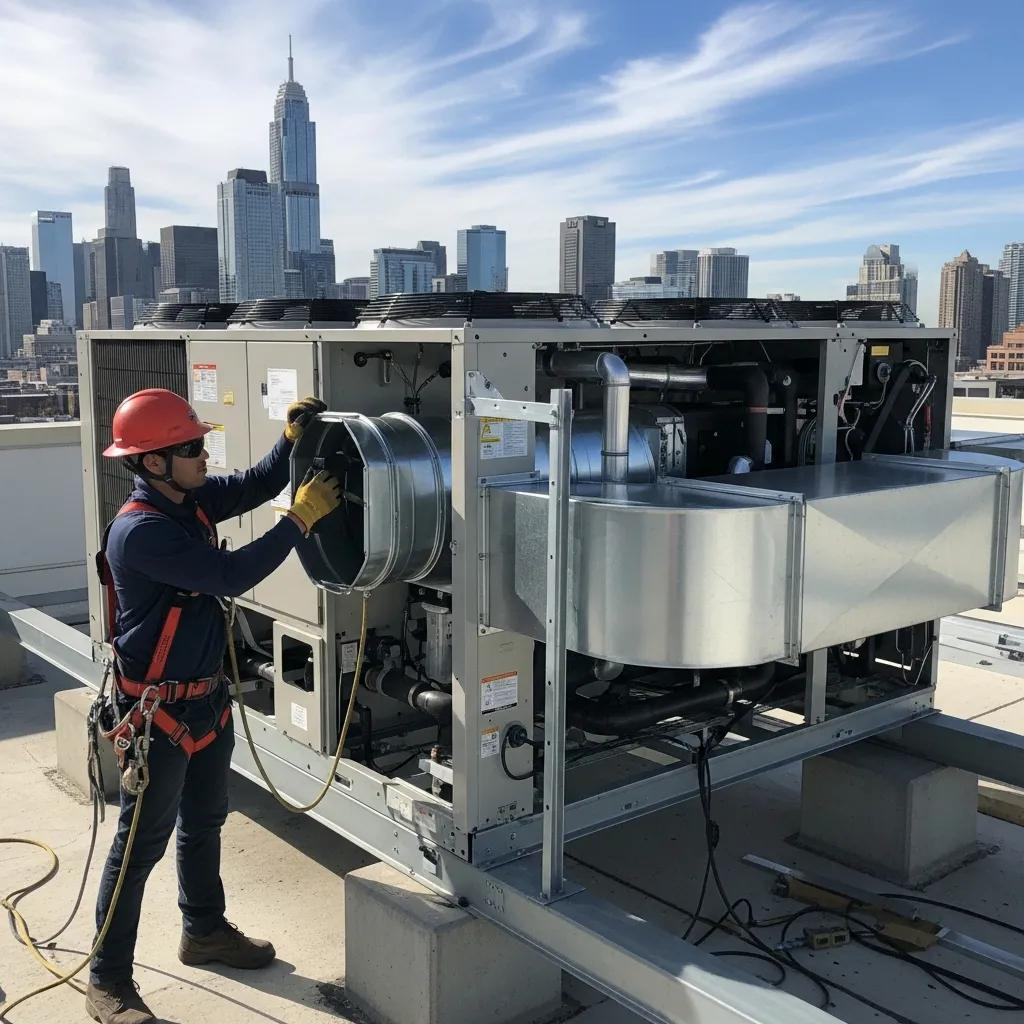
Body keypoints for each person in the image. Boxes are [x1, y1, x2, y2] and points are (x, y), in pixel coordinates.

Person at [87, 387, 341, 1024]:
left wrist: (289, 445)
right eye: (191, 448)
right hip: (159, 715)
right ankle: (107, 980)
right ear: (152, 463)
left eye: (200, 444)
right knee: (140, 845)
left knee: (205, 822)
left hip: (204, 702)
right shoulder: (141, 531)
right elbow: (230, 576)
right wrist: (299, 520)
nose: (204, 455)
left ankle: (203, 931)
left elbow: (249, 486)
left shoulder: (185, 500)